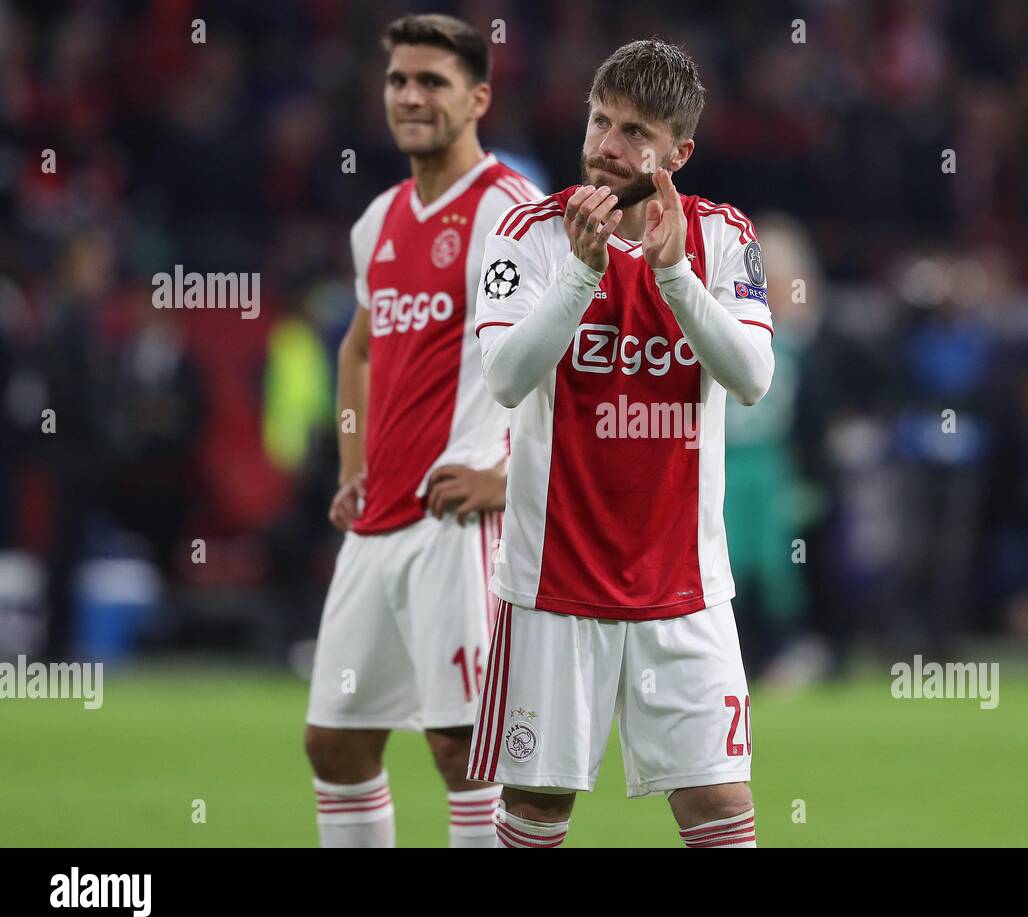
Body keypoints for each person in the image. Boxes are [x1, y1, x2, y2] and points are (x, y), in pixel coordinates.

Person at [469, 40, 773, 848]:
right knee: (537, 809)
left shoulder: (721, 235)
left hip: (685, 585)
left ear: (679, 153)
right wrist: (579, 273)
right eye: (600, 120)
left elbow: (751, 377)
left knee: (717, 804)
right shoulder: (527, 233)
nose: (606, 145)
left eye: (635, 132)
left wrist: (675, 279)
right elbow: (503, 377)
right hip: (552, 581)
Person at [303, 13, 543, 848]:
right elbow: (359, 348)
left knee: (463, 747)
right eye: (399, 80)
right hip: (379, 520)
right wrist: (351, 461)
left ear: (477, 97)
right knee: (335, 740)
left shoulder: (511, 212)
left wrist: (508, 477)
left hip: (460, 518)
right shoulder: (378, 221)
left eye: (432, 81)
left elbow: (570, 356)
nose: (410, 96)